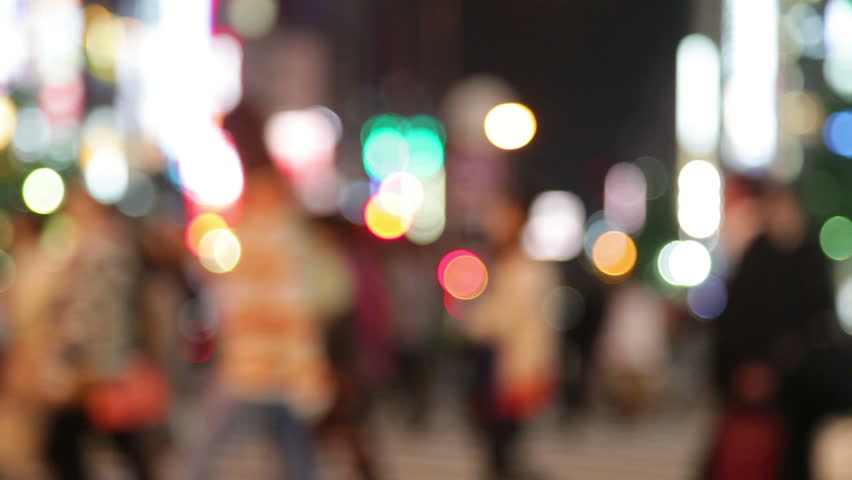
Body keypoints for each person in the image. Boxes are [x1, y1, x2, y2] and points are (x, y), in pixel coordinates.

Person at [191, 166, 347, 480]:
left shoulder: (260, 237)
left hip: (263, 364)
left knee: (215, 447)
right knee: (292, 450)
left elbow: (220, 289)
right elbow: (334, 293)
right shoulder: (298, 240)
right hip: (278, 364)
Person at [706, 183, 834, 480]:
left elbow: (819, 322)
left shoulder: (811, 258)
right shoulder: (756, 256)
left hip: (800, 385)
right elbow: (735, 320)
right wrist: (747, 368)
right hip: (750, 378)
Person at [41, 184, 155, 480]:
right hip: (97, 364)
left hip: (95, 366)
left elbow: (102, 315)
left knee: (65, 443)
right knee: (85, 442)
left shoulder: (103, 253)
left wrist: (97, 364)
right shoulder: (100, 248)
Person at [464, 195, 561, 480]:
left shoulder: (525, 270)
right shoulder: (509, 267)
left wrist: (473, 324)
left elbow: (501, 319)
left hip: (514, 367)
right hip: (506, 364)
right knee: (499, 440)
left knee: (502, 437)